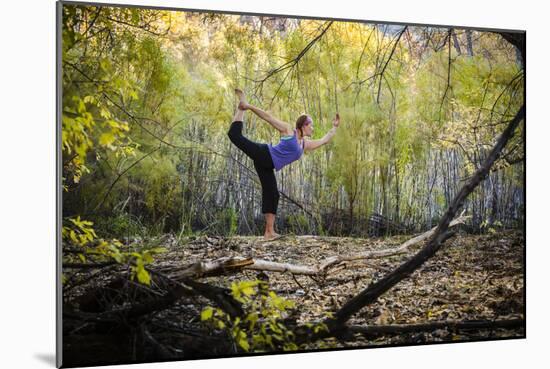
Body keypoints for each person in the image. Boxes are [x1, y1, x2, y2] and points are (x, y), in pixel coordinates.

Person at [228, 89, 340, 240]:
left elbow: (324, 140)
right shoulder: (289, 131)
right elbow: (268, 117)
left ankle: (269, 232)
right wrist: (249, 107)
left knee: (273, 194)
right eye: (311, 125)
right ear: (304, 125)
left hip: (267, 166)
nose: (312, 128)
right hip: (264, 154)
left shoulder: (304, 144)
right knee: (234, 136)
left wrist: (334, 127)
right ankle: (241, 106)